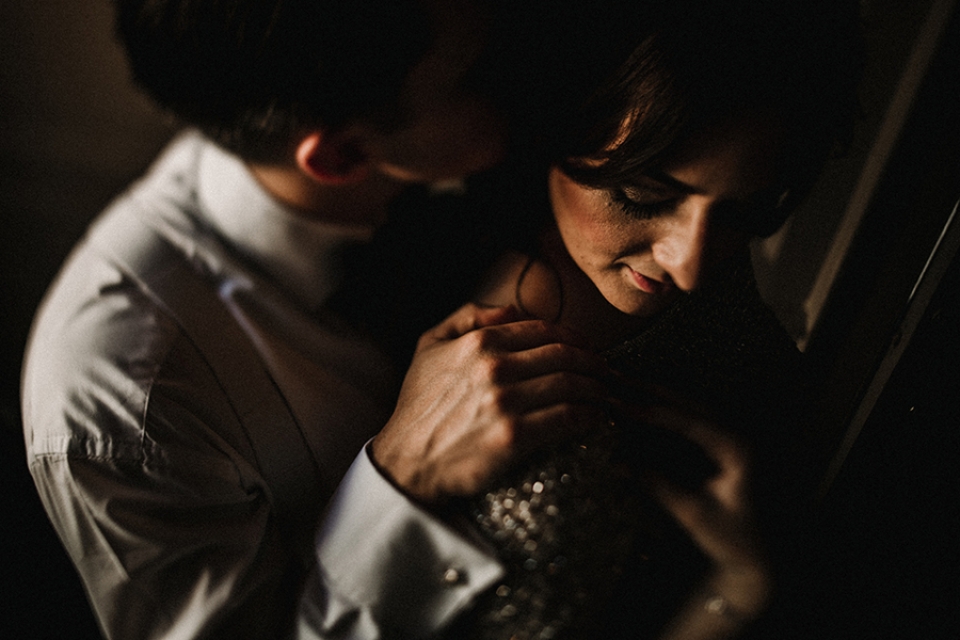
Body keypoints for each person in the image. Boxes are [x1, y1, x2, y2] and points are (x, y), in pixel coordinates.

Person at [21, 1, 616, 638]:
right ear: (339, 156)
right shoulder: (126, 399)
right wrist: (403, 478)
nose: (535, 50)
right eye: (483, 67)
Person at [418, 0, 858, 638]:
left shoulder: (735, 333)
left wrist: (742, 582)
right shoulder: (406, 264)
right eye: (642, 197)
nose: (691, 269)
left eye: (745, 213)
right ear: (554, 120)